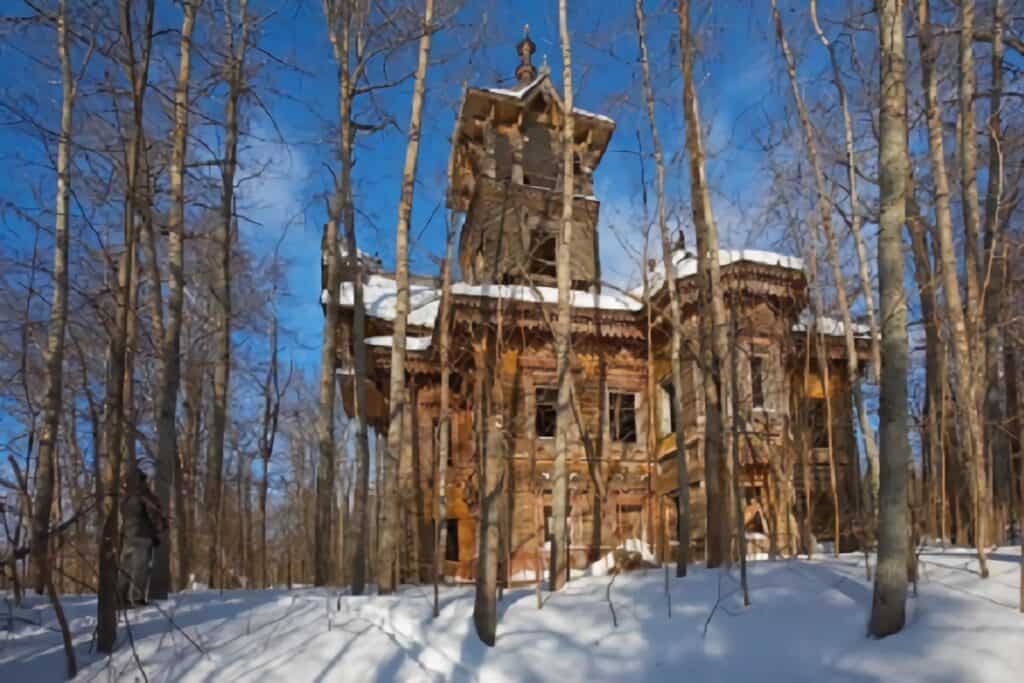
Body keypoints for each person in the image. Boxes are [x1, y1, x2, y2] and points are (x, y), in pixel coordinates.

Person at [119, 468, 168, 606]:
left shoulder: (125, 498)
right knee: (140, 568)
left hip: (127, 537)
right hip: (143, 536)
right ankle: (137, 598)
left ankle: (120, 598)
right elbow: (155, 516)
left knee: (126, 568)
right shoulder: (146, 496)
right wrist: (159, 531)